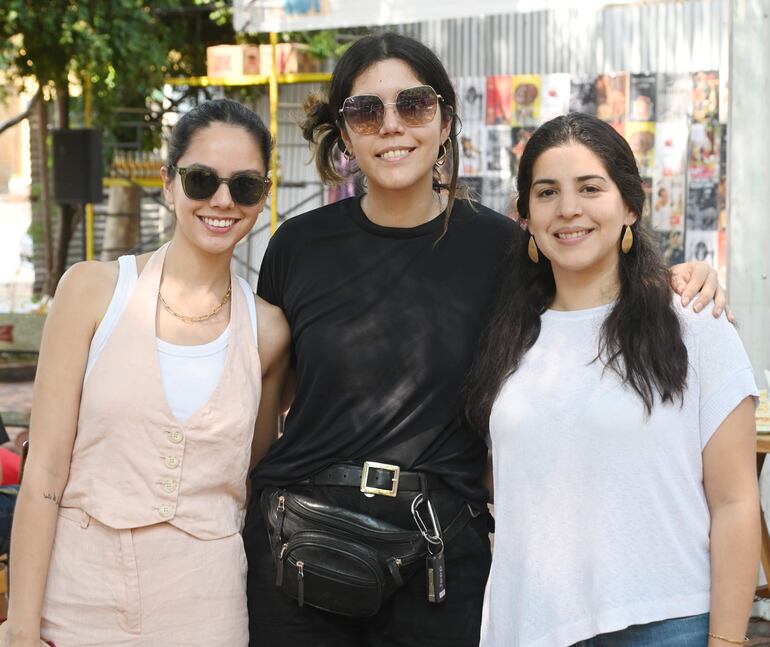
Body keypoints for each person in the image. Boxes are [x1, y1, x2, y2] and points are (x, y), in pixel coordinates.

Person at [242, 32, 726, 647]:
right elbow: (267, 400)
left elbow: (592, 290)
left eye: (413, 105)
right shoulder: (296, 246)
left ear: (445, 118)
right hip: (303, 553)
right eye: (367, 111)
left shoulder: (503, 247)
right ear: (344, 132)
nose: (392, 126)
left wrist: (679, 278)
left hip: (441, 558)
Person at [462, 113, 759, 647]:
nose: (568, 208)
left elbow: (736, 503)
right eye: (547, 191)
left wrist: (728, 641)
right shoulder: (505, 340)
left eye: (590, 188)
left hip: (664, 622)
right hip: (530, 624)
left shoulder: (694, 323)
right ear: (525, 216)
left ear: (629, 206)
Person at [1, 99, 289, 647]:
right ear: (169, 182)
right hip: (76, 592)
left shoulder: (269, 331)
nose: (222, 200)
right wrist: (20, 627)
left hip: (207, 604)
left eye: (245, 186)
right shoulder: (91, 291)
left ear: (262, 198)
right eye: (201, 179)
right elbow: (43, 477)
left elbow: (251, 480)